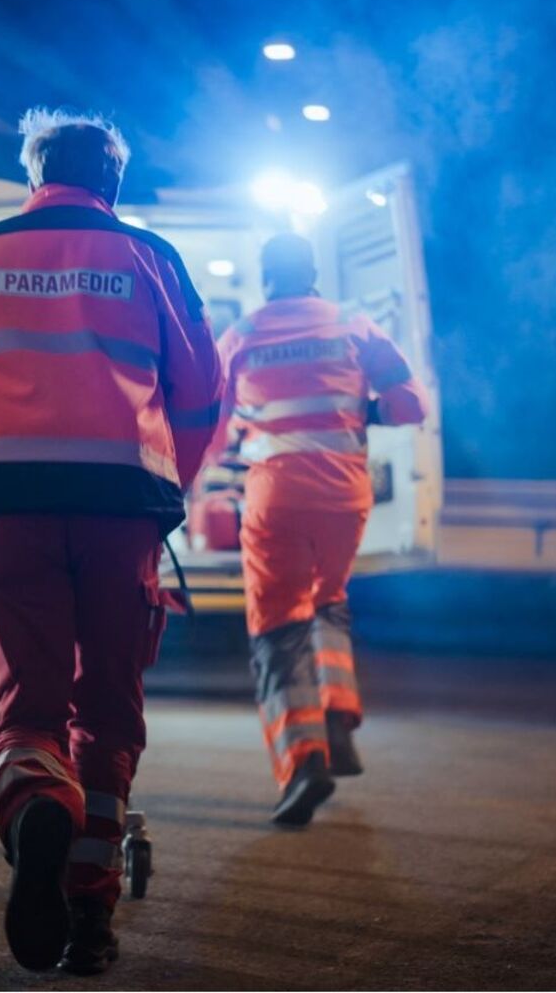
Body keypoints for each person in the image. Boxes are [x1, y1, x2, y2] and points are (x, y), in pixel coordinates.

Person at [0, 108, 222, 976]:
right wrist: (165, 482)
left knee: (28, 706)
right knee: (106, 706)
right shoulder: (152, 258)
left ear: (35, 177)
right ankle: (89, 915)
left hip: (4, 499)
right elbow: (199, 395)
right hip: (122, 503)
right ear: (114, 181)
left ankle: (35, 803)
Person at [211, 233, 429, 828]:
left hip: (275, 499)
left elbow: (211, 428)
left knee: (278, 624)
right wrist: (360, 411)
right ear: (313, 273)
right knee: (327, 602)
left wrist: (200, 474)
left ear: (264, 277)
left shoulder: (242, 336)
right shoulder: (354, 326)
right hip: (344, 498)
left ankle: (304, 763)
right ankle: (337, 718)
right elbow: (411, 407)